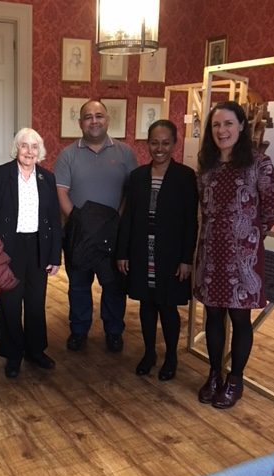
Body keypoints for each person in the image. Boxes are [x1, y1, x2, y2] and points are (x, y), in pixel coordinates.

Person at [195, 101, 274, 409]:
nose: (222, 130)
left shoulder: (259, 163)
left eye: (228, 123)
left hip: (244, 257)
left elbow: (271, 206)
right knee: (213, 315)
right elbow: (205, 209)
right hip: (211, 253)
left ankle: (236, 379)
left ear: (242, 126)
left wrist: (248, 235)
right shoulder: (207, 164)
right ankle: (214, 373)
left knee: (240, 317)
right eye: (216, 125)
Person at [116, 120, 199, 381]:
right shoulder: (138, 176)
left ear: (174, 144)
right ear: (147, 143)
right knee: (147, 304)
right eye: (154, 142)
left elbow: (190, 222)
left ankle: (171, 356)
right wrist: (123, 252)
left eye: (165, 143)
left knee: (167, 305)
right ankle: (149, 353)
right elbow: (128, 217)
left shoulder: (185, 177)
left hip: (171, 253)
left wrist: (187, 259)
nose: (159, 148)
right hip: (142, 250)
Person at [55, 100, 138, 352]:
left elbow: (130, 192)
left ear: (107, 120)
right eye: (88, 117)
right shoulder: (67, 155)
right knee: (79, 285)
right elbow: (61, 193)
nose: (94, 121)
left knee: (113, 286)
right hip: (79, 236)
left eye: (99, 116)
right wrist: (81, 224)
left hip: (113, 236)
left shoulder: (125, 153)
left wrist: (115, 223)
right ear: (80, 123)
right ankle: (79, 330)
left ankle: (114, 331)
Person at [0, 128, 62, 378]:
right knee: (9, 302)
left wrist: (54, 256)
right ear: (16, 148)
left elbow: (54, 219)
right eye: (24, 145)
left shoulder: (47, 178)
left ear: (39, 151)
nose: (29, 151)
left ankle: (35, 350)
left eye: (33, 146)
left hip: (38, 246)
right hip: (9, 248)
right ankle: (13, 354)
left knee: (35, 301)